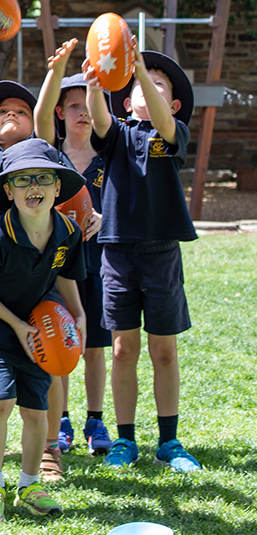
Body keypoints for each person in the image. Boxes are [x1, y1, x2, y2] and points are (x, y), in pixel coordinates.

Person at [86, 50, 200, 472]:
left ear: (170, 104)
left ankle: (169, 441)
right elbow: (99, 120)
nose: (146, 87)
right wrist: (96, 86)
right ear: (125, 100)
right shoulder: (116, 133)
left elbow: (164, 124)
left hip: (161, 253)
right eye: (138, 86)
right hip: (117, 254)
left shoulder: (174, 131)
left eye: (158, 85)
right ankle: (125, 440)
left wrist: (137, 70)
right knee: (122, 349)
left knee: (164, 351)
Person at [0, 138, 88, 522]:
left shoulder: (68, 231)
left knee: (37, 410)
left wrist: (78, 314)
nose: (33, 187)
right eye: (22, 180)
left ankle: (30, 484)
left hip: (40, 328)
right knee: (0, 401)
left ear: (56, 188)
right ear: (8, 190)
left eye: (42, 179)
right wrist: (16, 325)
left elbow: (66, 276)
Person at [34, 41, 113, 457]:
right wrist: (56, 70)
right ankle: (60, 419)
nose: (83, 111)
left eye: (89, 104)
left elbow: (124, 206)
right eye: (73, 105)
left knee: (95, 344)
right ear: (61, 114)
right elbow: (38, 115)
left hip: (99, 264)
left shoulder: (109, 154)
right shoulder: (51, 155)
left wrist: (104, 220)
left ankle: (95, 419)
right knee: (60, 341)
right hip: (57, 266)